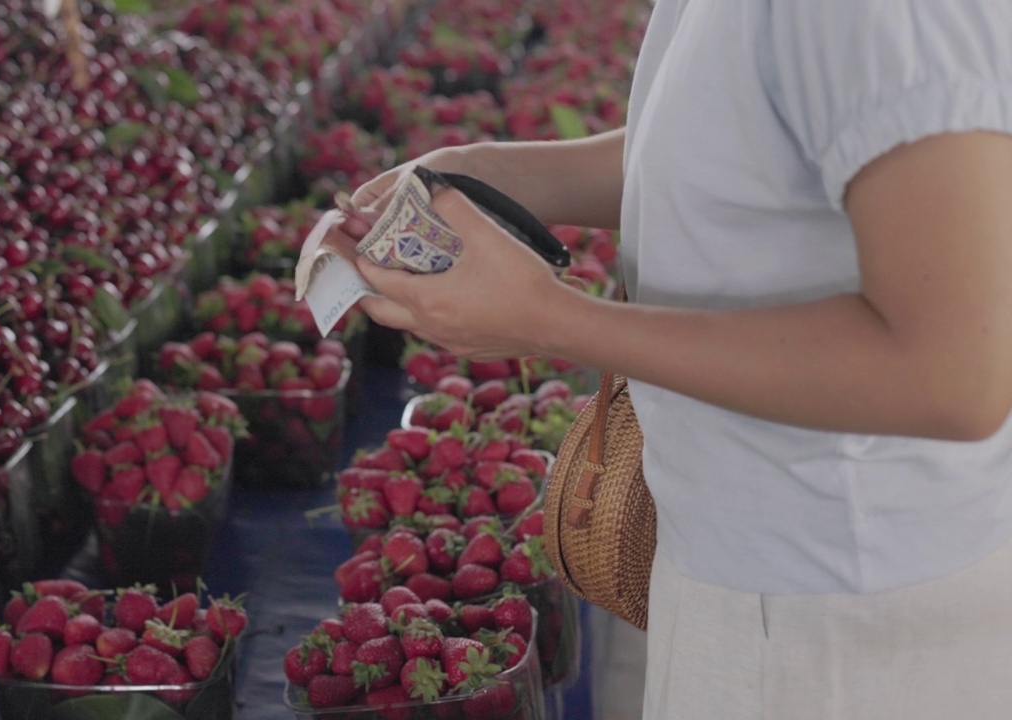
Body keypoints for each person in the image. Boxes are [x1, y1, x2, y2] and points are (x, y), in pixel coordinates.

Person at [323, 1, 1012, 718]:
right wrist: (477, 172)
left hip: (839, 618)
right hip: (771, 574)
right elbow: (743, 149)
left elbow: (952, 374)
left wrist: (549, 319)